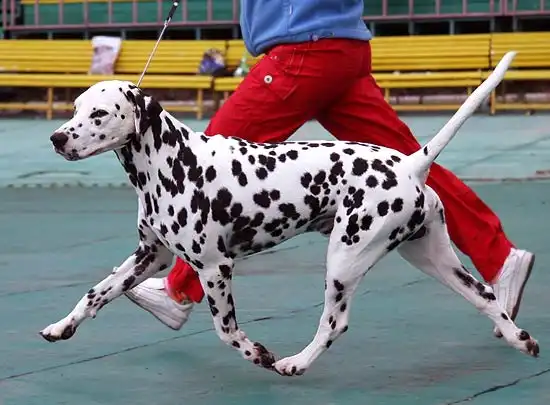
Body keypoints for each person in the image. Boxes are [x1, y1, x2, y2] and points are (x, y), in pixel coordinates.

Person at [125, 0, 535, 333]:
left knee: (207, 164)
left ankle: (179, 290)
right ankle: (499, 258)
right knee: (411, 167)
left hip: (304, 49)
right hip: (338, 46)